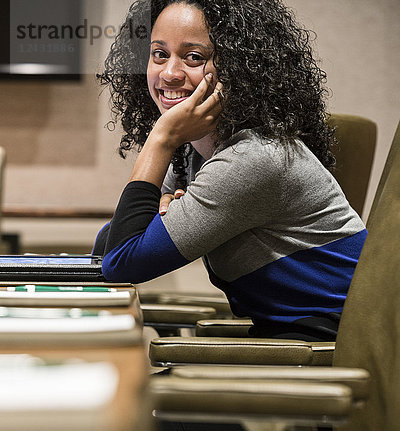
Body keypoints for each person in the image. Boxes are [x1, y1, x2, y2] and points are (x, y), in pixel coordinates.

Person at [94, 0, 367, 343]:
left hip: (333, 350)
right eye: (159, 54)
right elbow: (110, 247)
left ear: (240, 66)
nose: (169, 73)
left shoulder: (254, 159)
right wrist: (154, 206)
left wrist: (160, 138)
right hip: (290, 342)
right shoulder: (193, 152)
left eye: (194, 57)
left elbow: (122, 265)